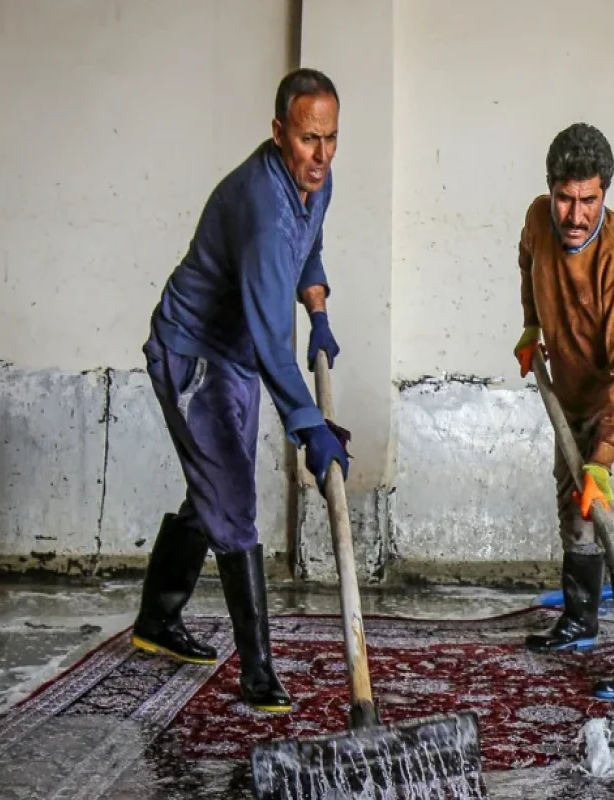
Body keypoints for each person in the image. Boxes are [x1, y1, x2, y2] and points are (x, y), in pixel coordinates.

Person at [130, 68, 352, 713]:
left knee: (218, 486)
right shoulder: (260, 208)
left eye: (332, 139)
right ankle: (258, 673)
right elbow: (263, 338)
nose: (322, 155)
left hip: (233, 352)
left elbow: (309, 252)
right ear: (279, 131)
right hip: (193, 352)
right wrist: (307, 422)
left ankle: (156, 621)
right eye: (309, 139)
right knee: (233, 498)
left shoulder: (317, 182)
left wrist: (319, 316)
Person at [515, 122, 614, 699]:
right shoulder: (537, 219)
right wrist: (532, 321)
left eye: (588, 200)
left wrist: (603, 459)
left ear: (604, 193)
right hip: (574, 388)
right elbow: (528, 258)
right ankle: (579, 621)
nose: (574, 215)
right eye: (565, 198)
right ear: (550, 189)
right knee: (570, 503)